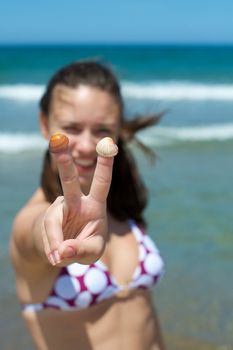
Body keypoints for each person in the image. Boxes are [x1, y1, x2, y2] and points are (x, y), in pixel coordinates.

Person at [10, 60, 166, 350]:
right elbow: (35, 234)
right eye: (71, 127)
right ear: (45, 125)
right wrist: (54, 230)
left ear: (119, 129)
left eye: (102, 130)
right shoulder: (33, 218)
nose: (85, 145)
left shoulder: (122, 208)